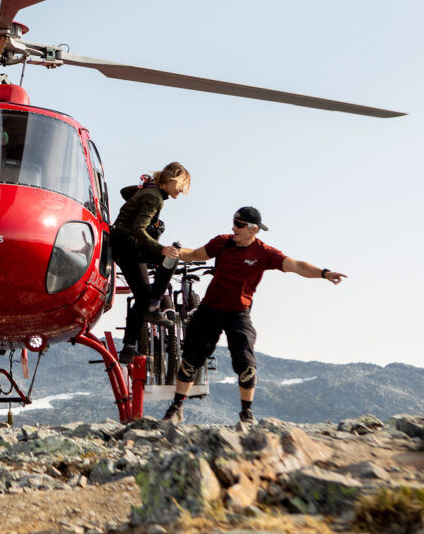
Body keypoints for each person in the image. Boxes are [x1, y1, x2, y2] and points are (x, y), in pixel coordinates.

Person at [162, 206, 346, 424]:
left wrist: (324, 274)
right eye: (233, 223)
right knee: (192, 359)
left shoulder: (264, 253)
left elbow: (297, 266)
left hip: (238, 313)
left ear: (253, 229)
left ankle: (246, 414)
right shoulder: (222, 242)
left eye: (239, 225)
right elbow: (194, 255)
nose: (233, 228)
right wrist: (172, 252)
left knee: (245, 362)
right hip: (210, 309)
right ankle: (176, 407)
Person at [110, 162, 192, 364]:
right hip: (128, 243)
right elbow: (139, 229)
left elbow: (124, 191)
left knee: (142, 294)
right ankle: (154, 309)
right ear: (172, 180)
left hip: (119, 245)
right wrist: (160, 249)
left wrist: (140, 190)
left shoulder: (150, 191)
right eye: (180, 187)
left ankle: (128, 349)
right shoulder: (155, 197)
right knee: (171, 258)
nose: (181, 192)